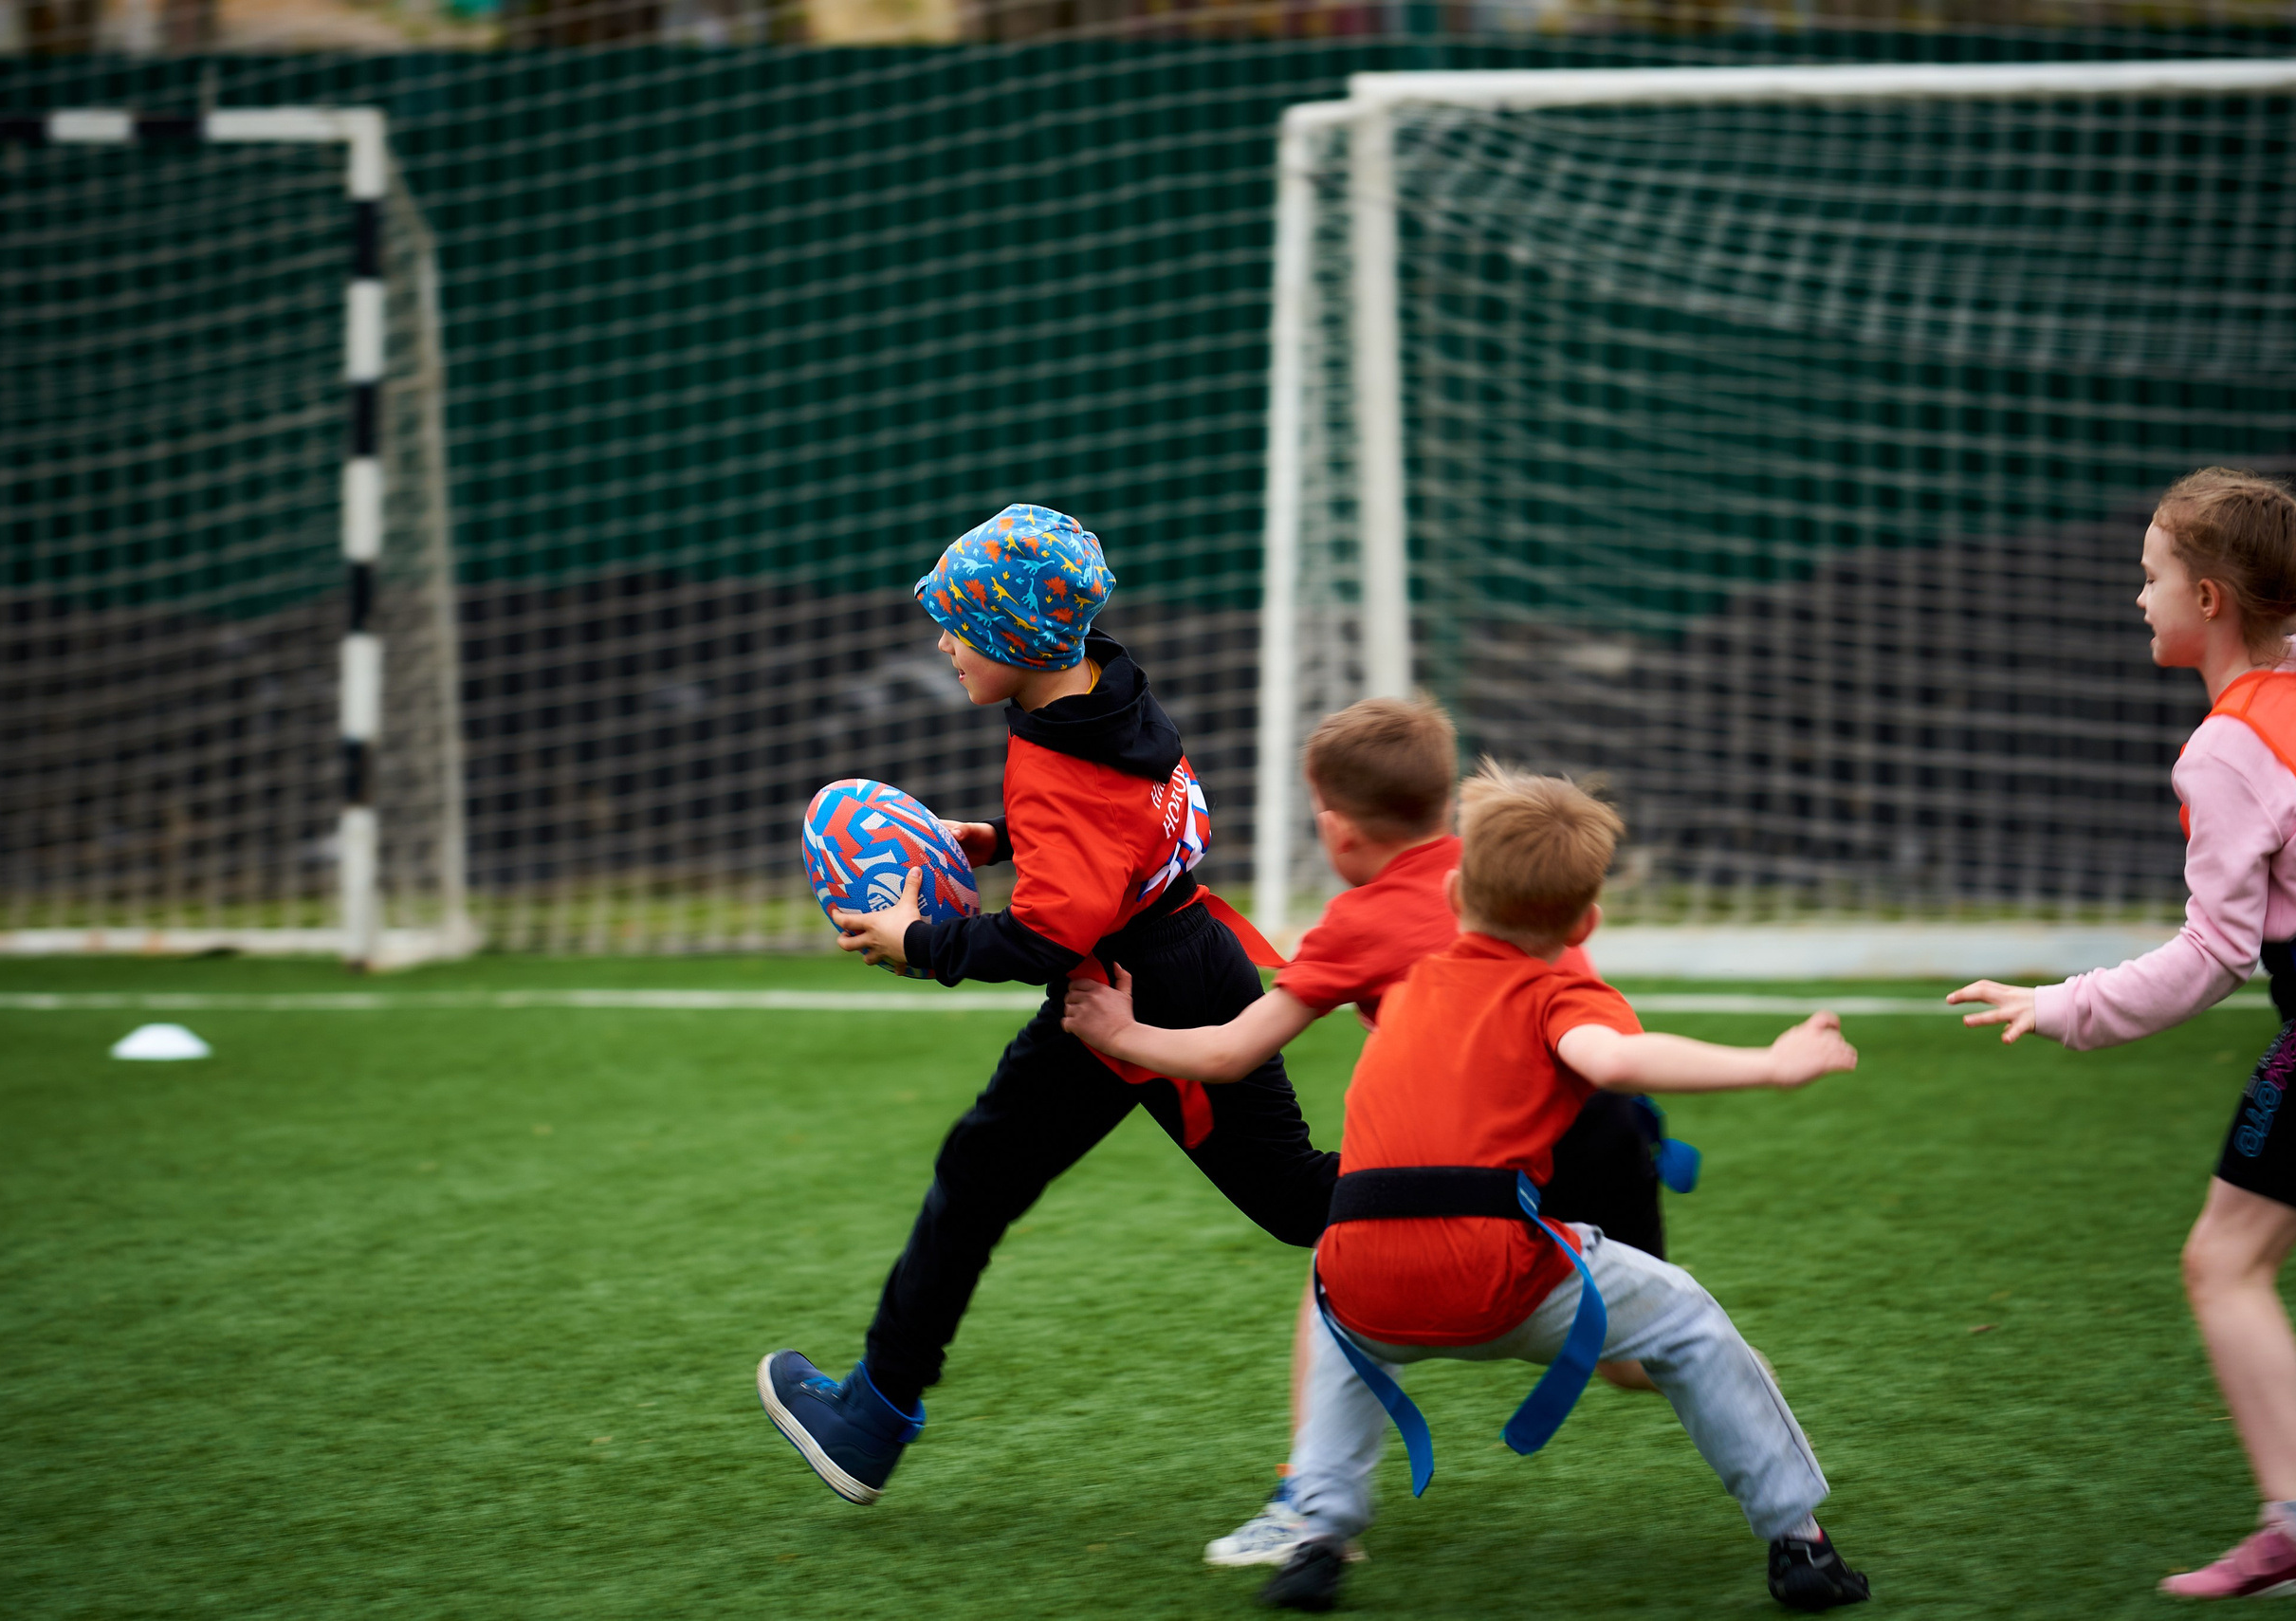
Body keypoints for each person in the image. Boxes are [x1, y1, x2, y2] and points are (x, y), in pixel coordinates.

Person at [757, 504, 1337, 1506]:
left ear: (1014, 639)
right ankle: (1495, 1174)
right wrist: (1003, 838)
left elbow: (1045, 938)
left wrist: (919, 940)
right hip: (1187, 954)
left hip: (1125, 995)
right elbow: (1117, 833)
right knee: (1282, 1194)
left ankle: (870, 1418)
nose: (943, 645)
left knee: (991, 1177)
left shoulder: (1061, 765)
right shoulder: (1108, 694)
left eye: (958, 628)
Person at [1062, 695, 1682, 1573]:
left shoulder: (1362, 921)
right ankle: (1750, 1396)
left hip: (1493, 1138)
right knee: (1639, 1357)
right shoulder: (1494, 862)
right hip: (1601, 1122)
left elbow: (1232, 1053)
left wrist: (1120, 1032)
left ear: (1336, 826)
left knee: (1339, 1277)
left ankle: (1310, 1508)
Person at [1259, 762, 1869, 1612]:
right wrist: (1771, 1063)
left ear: (1453, 892)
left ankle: (1317, 1538)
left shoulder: (1406, 991)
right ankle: (1800, 1541)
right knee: (1688, 1317)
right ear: (1587, 921)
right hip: (1498, 1275)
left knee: (1335, 1309)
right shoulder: (1560, 992)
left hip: (1361, 1277)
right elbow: (1615, 1060)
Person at [1951, 469, 2296, 1601]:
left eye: (2150, 576)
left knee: (2222, 1262)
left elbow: (2211, 956)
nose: (2138, 598)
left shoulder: (2225, 749)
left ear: (2209, 598)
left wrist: (2059, 1004)